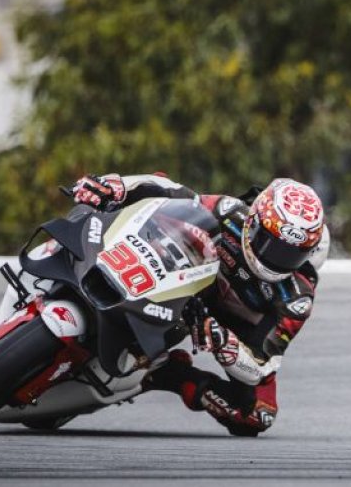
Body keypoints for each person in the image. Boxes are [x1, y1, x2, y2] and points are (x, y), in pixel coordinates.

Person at [69, 172, 329, 436]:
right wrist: (118, 187)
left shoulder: (296, 299)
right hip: (191, 280)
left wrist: (219, 338)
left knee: (258, 415)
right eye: (269, 243)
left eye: (291, 254)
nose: (277, 259)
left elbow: (262, 367)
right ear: (254, 220)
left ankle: (170, 374)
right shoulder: (230, 214)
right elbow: (171, 190)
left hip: (230, 329)